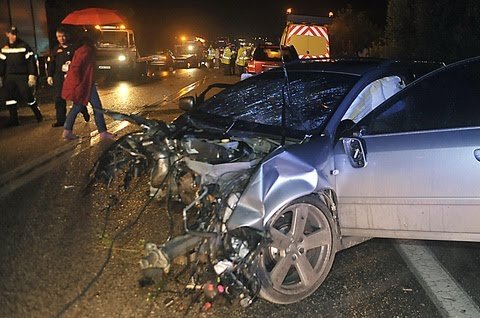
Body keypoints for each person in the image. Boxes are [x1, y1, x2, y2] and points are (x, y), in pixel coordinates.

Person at [61, 35, 114, 141]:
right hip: (85, 85)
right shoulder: (86, 50)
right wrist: (79, 83)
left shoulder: (86, 50)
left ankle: (67, 131)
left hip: (86, 84)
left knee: (78, 107)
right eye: (99, 39)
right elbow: (77, 67)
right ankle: (102, 132)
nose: (100, 42)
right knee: (97, 107)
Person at [47, 26, 90, 127]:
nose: (61, 38)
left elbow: (79, 61)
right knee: (59, 98)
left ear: (67, 36)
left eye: (63, 36)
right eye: (59, 36)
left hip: (72, 77)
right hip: (59, 77)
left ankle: (83, 110)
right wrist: (49, 76)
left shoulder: (74, 48)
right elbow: (52, 63)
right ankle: (61, 120)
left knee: (75, 97)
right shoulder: (56, 49)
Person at [0, 26, 42, 127]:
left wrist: (32, 75)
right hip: (9, 76)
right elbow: (1, 64)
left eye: (15, 34)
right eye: (12, 34)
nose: (14, 36)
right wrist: (1, 76)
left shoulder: (24, 46)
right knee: (10, 98)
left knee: (28, 96)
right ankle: (14, 119)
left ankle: (38, 114)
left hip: (22, 75)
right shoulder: (4, 48)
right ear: (7, 34)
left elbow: (30, 62)